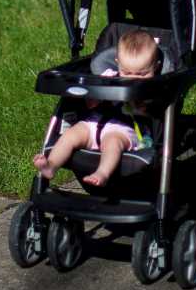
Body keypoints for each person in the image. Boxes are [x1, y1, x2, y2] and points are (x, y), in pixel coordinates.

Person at [33, 29, 160, 187]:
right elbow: (90, 104)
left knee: (112, 143)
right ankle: (51, 165)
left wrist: (140, 105)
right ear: (117, 63)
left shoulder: (152, 87)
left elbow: (150, 115)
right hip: (92, 124)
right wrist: (97, 95)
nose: (133, 78)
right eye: (126, 72)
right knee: (70, 135)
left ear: (156, 66)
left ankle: (102, 172)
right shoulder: (107, 76)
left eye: (142, 74)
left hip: (124, 130)